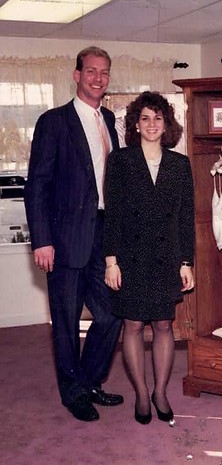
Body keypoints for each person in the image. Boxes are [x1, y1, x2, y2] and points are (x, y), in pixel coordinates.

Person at [24, 46, 124, 422]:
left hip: (104, 234)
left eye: (105, 73)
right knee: (65, 319)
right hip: (64, 238)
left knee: (111, 312)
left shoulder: (110, 119)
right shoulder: (54, 122)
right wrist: (42, 239)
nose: (98, 78)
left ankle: (89, 380)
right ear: (77, 75)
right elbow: (37, 185)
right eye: (92, 71)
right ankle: (73, 393)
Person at [103, 91, 195, 425]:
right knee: (133, 325)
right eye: (145, 118)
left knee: (163, 324)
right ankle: (141, 393)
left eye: (158, 118)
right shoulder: (120, 161)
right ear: (135, 124)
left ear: (166, 123)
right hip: (130, 257)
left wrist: (187, 262)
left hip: (165, 258)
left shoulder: (180, 165)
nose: (151, 124)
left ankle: (160, 392)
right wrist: (111, 262)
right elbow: (111, 215)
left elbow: (185, 218)